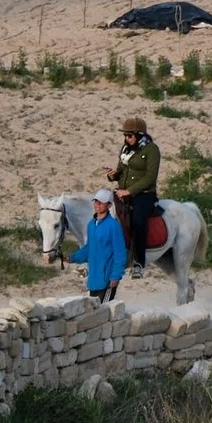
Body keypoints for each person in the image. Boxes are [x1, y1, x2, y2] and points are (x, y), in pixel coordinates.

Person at [104, 115, 161, 272]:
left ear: (139, 135)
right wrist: (113, 175)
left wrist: (129, 191)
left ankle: (139, 261)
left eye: (129, 135)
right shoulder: (125, 149)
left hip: (143, 194)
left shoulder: (152, 150)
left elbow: (150, 177)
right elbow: (121, 170)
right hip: (122, 192)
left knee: (138, 221)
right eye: (125, 135)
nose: (126, 138)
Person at [71, 188, 128, 303]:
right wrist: (72, 258)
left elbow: (120, 253)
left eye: (101, 202)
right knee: (94, 315)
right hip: (93, 280)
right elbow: (89, 248)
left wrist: (116, 276)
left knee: (103, 313)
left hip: (107, 280)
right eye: (96, 201)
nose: (98, 204)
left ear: (110, 205)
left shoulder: (114, 226)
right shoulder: (91, 225)